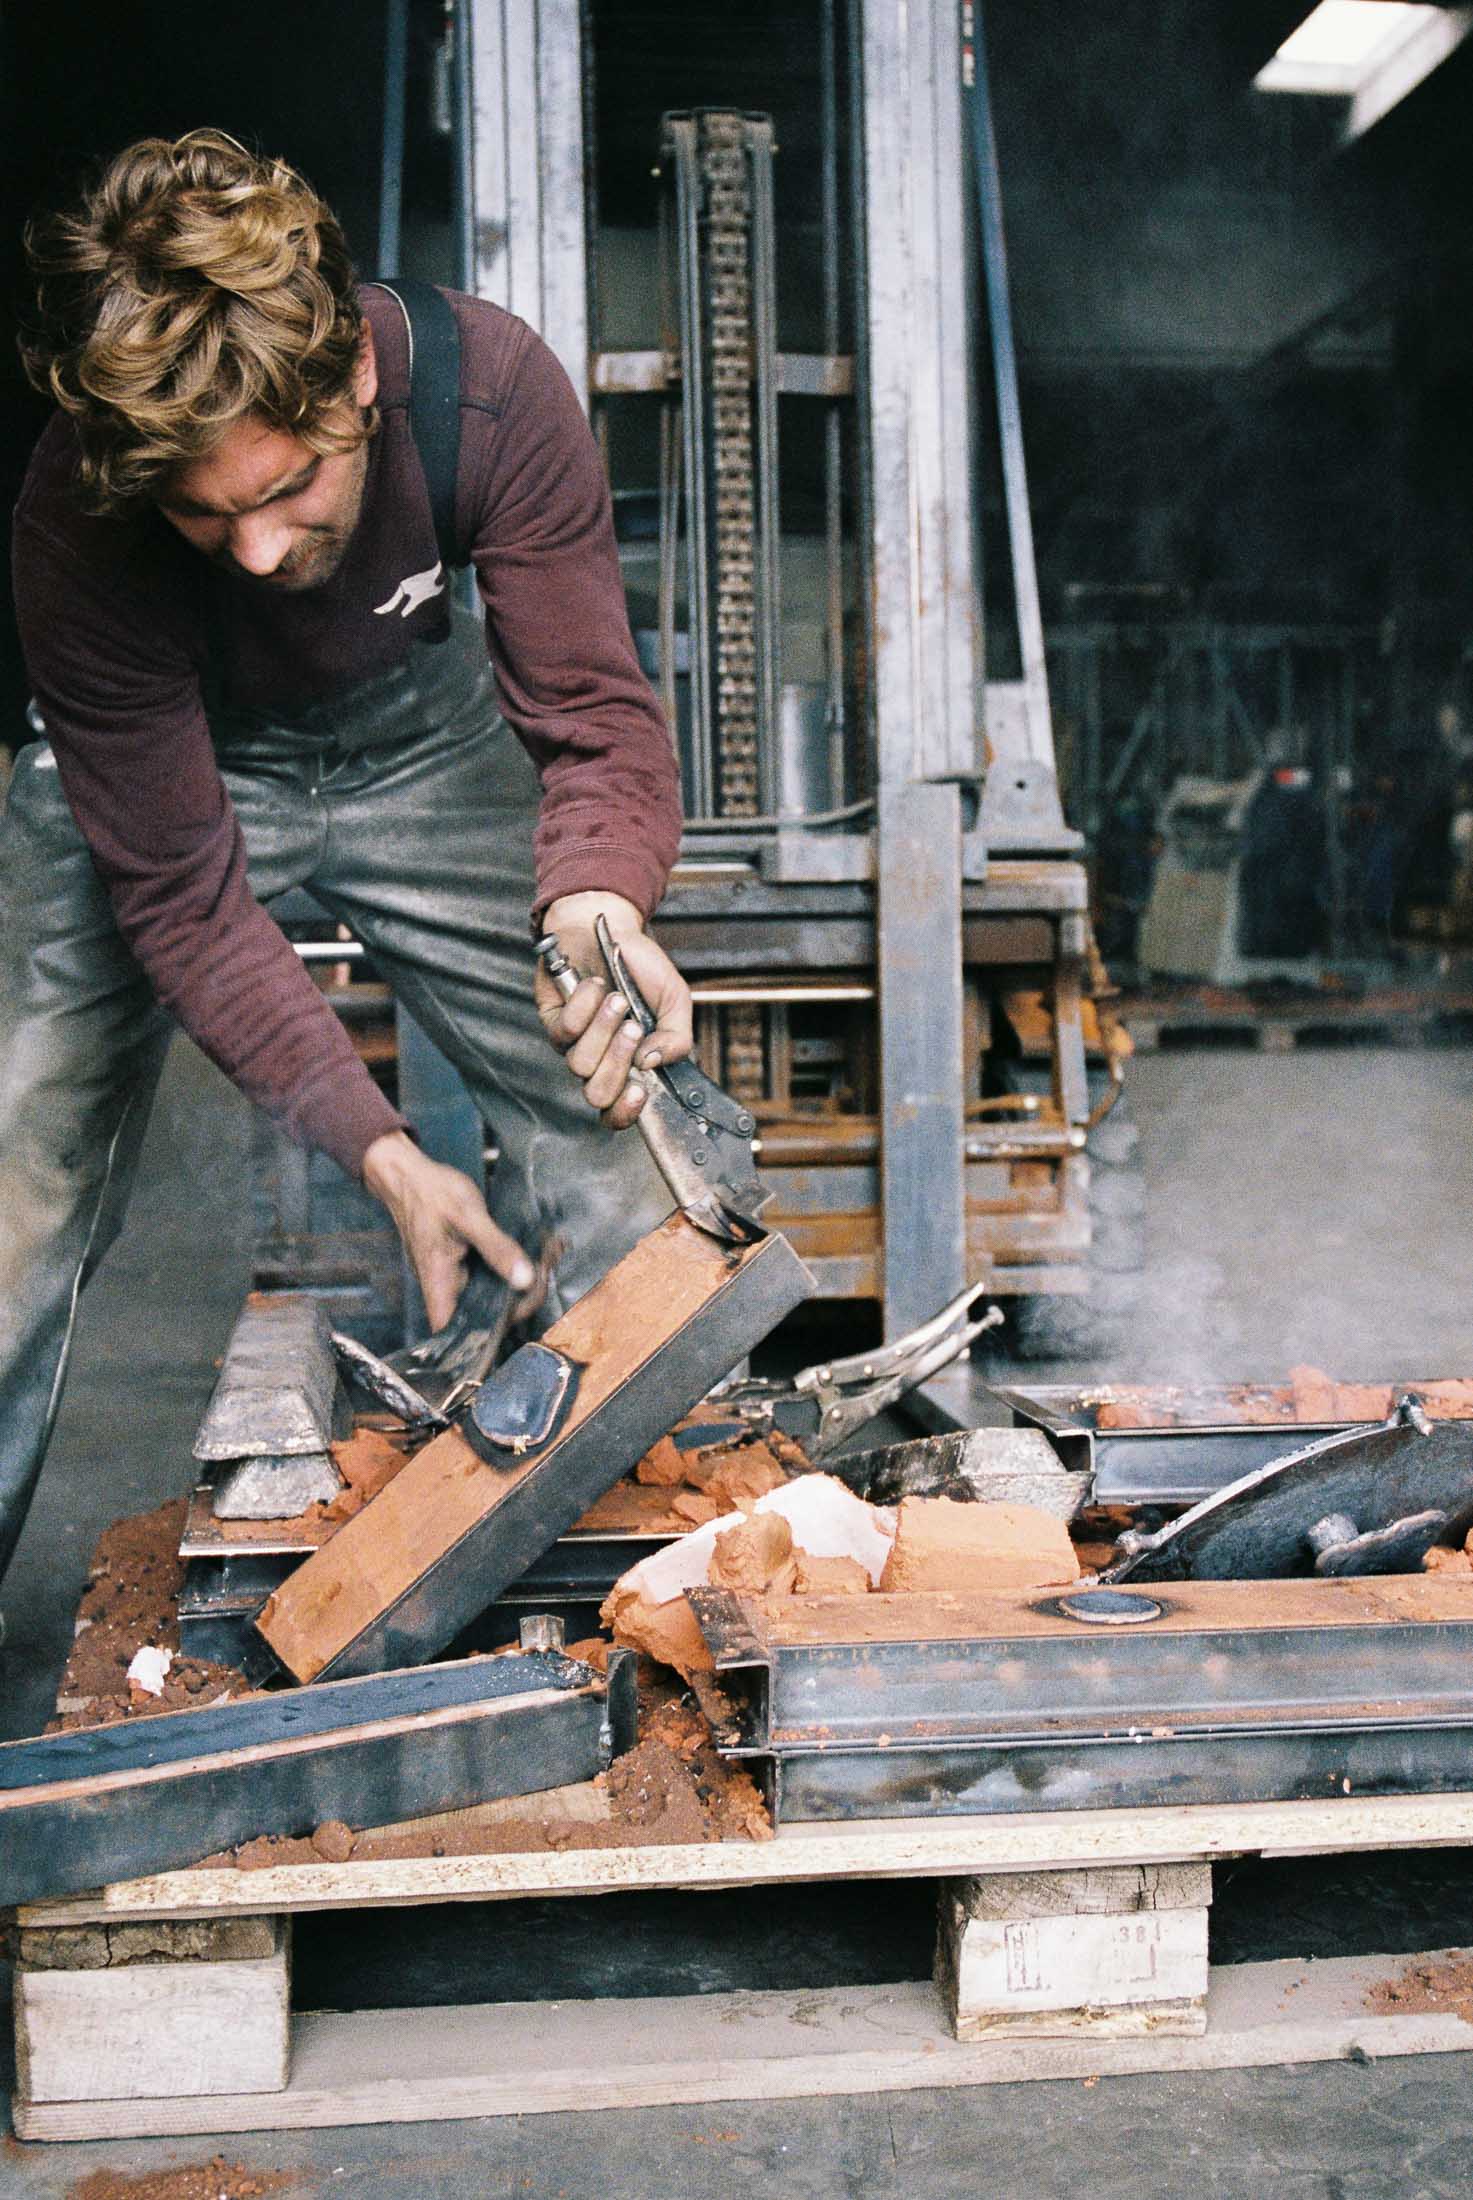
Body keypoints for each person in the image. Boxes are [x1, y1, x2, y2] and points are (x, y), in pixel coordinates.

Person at [0, 128, 692, 1586]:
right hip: (165, 758)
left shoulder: (489, 391)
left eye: (288, 489)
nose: (252, 551)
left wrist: (597, 895)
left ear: (355, 388)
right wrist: (376, 1144)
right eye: (203, 512)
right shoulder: (76, 517)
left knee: (627, 1123)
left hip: (418, 737)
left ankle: (648, 1572)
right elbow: (182, 895)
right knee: (18, 1173)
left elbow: (587, 712)